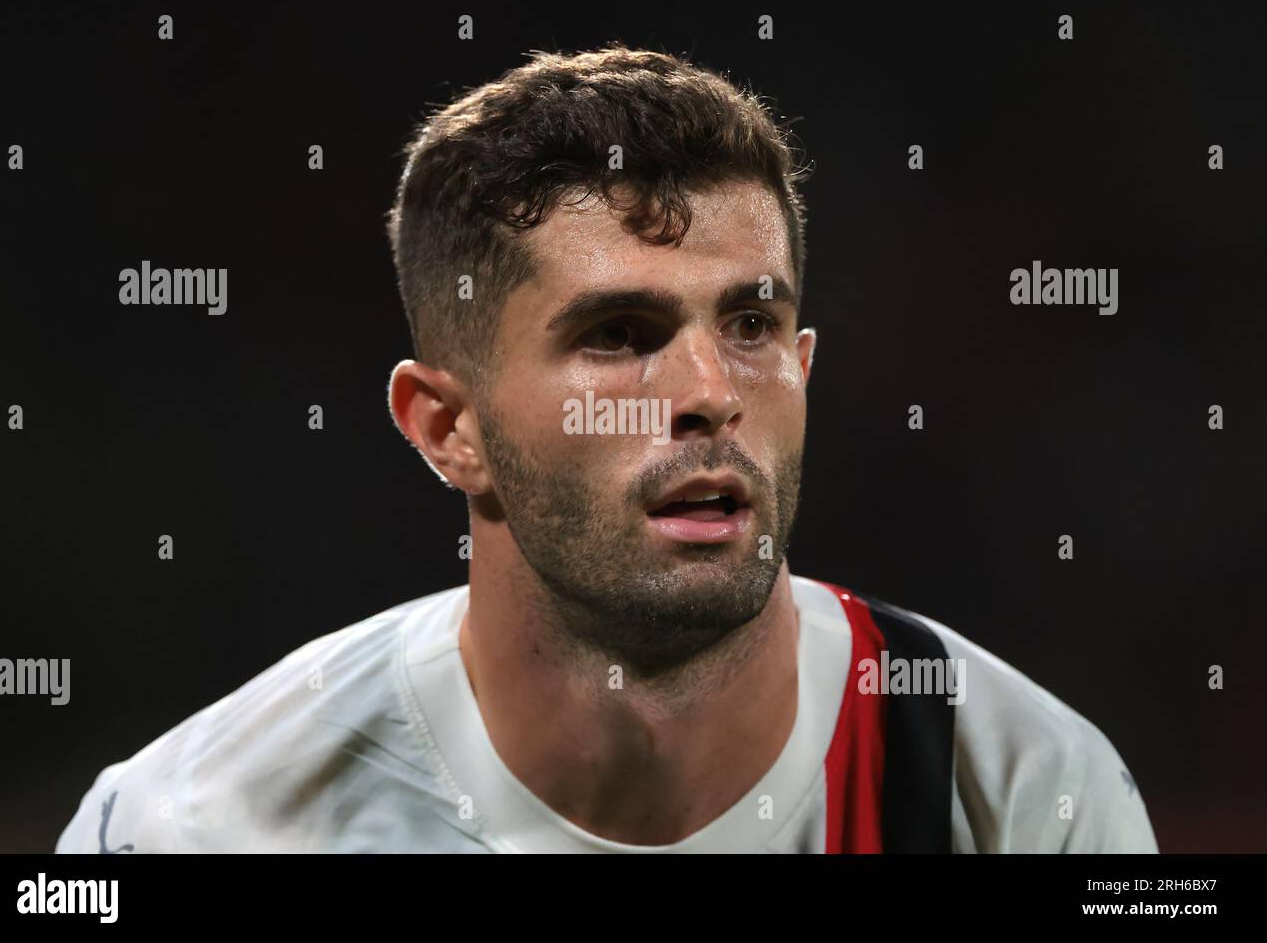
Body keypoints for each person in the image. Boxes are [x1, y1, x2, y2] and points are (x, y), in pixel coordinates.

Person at [57, 44, 1157, 853]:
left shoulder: (1026, 794)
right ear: (449, 428)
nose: (710, 394)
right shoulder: (192, 828)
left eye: (751, 324)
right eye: (619, 335)